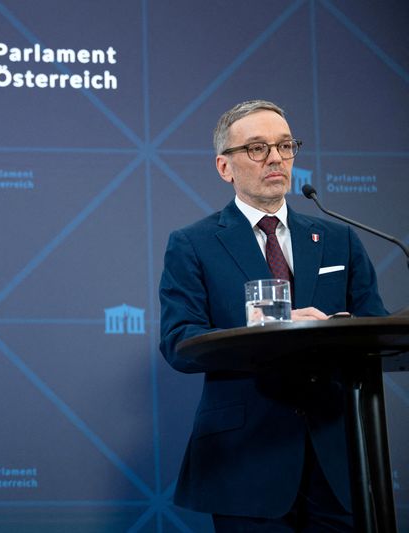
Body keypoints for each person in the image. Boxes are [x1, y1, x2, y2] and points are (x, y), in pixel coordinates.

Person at [158, 100, 387, 531]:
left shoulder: (340, 238)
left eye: (285, 146)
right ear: (225, 167)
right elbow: (179, 342)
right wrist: (261, 334)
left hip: (337, 455)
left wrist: (334, 330)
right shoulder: (193, 244)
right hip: (245, 457)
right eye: (258, 148)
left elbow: (374, 327)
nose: (277, 158)